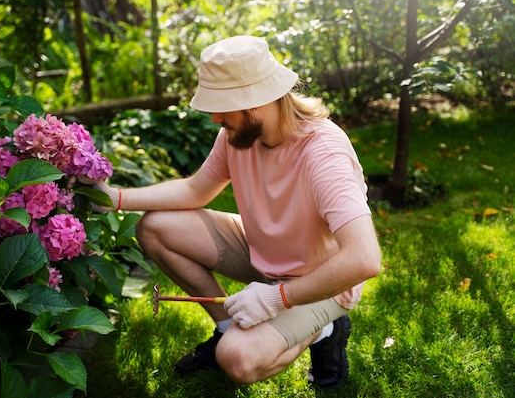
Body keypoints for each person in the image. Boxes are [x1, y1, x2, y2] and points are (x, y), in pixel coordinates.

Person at [88, 35, 381, 388]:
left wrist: (278, 297)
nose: (214, 118)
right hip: (263, 249)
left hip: (321, 280)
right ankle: (227, 328)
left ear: (255, 102)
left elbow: (364, 259)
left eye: (221, 106)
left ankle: (325, 330)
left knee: (238, 360)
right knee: (155, 227)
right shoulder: (237, 135)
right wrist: (113, 198)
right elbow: (196, 190)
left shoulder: (324, 153)